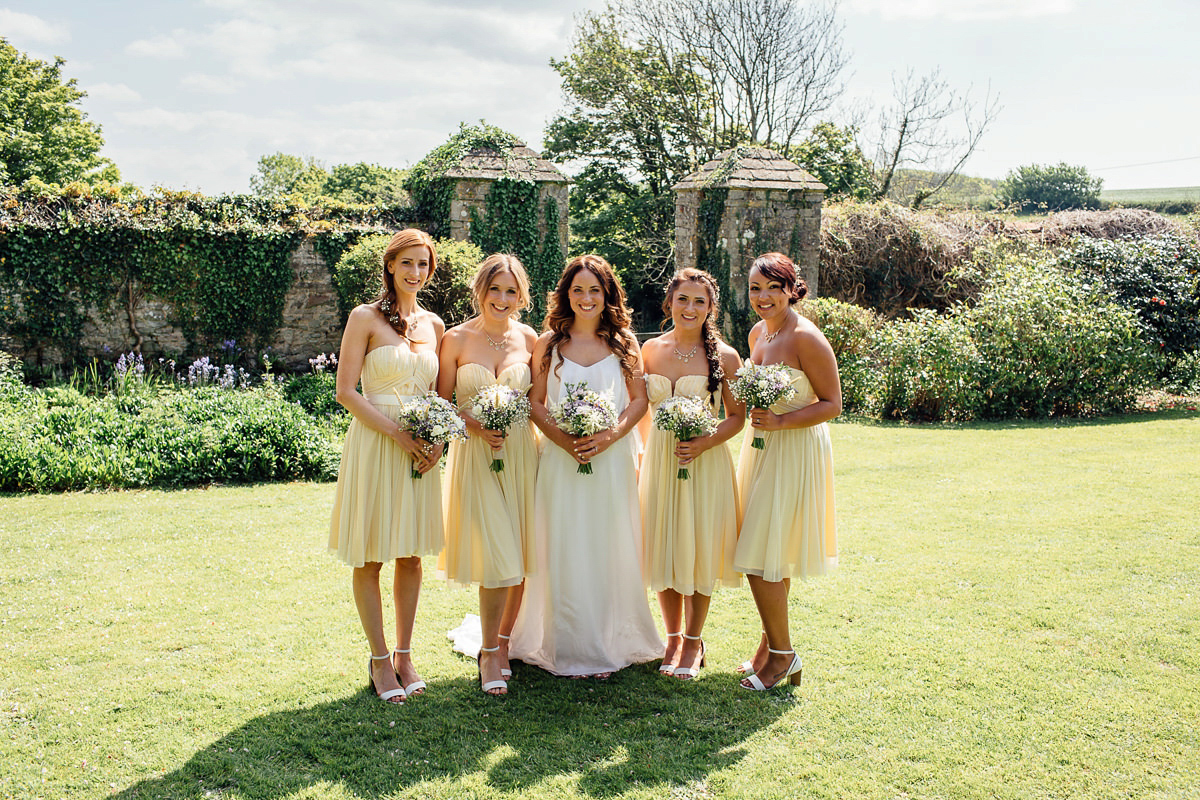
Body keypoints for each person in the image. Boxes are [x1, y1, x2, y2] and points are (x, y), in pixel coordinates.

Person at [508, 254, 662, 677]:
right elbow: (535, 403)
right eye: (578, 290)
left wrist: (610, 435)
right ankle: (565, 642)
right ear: (566, 294)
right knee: (563, 545)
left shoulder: (625, 342)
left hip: (611, 462)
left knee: (608, 545)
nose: (586, 298)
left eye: (595, 289)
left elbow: (638, 401)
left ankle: (607, 640)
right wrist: (564, 440)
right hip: (559, 462)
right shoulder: (549, 343)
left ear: (607, 293)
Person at [328, 229, 445, 704]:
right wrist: (396, 433)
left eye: (424, 265)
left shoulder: (435, 325)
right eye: (408, 263)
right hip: (378, 444)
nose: (416, 273)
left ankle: (404, 653)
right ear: (391, 266)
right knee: (372, 553)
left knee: (412, 554)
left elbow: (440, 395)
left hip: (420, 451)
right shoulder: (365, 318)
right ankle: (378, 659)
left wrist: (436, 440)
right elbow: (346, 391)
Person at [733, 252, 840, 691]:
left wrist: (780, 421)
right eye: (756, 288)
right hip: (762, 446)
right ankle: (767, 647)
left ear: (791, 288)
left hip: (794, 446)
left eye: (772, 288)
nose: (762, 297)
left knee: (762, 554)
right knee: (768, 548)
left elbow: (832, 403)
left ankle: (784, 656)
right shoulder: (760, 332)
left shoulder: (806, 337)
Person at [437, 254, 539, 696]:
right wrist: (475, 425)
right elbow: (440, 404)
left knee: (517, 556)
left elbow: (538, 400)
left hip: (520, 453)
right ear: (479, 290)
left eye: (511, 291)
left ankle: (503, 642)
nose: (502, 298)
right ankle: (490, 652)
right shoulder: (456, 339)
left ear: (521, 297)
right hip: (475, 453)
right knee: (497, 553)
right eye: (495, 289)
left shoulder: (530, 339)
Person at [638, 268, 744, 679]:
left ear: (710, 307)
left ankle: (695, 641)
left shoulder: (726, 356)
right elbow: (642, 412)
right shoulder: (650, 351)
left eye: (700, 301)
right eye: (683, 299)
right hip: (662, 463)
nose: (690, 308)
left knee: (699, 549)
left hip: (705, 462)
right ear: (669, 303)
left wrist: (703, 442)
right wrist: (647, 454)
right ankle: (673, 637)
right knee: (664, 546)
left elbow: (737, 418)